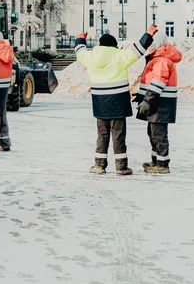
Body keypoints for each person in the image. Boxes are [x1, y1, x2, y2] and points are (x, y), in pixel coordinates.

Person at [74, 26, 156, 175]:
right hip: (118, 102)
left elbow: (79, 51)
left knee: (102, 134)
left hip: (100, 103)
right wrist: (149, 34)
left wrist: (81, 38)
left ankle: (99, 165)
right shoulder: (119, 56)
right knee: (118, 134)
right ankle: (121, 167)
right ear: (113, 46)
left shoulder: (90, 57)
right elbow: (138, 49)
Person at [134, 33, 182, 174]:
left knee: (159, 134)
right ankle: (156, 161)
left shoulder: (161, 60)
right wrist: (141, 96)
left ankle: (162, 164)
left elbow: (158, 82)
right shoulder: (159, 58)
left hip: (160, 104)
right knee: (153, 132)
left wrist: (147, 100)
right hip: (158, 102)